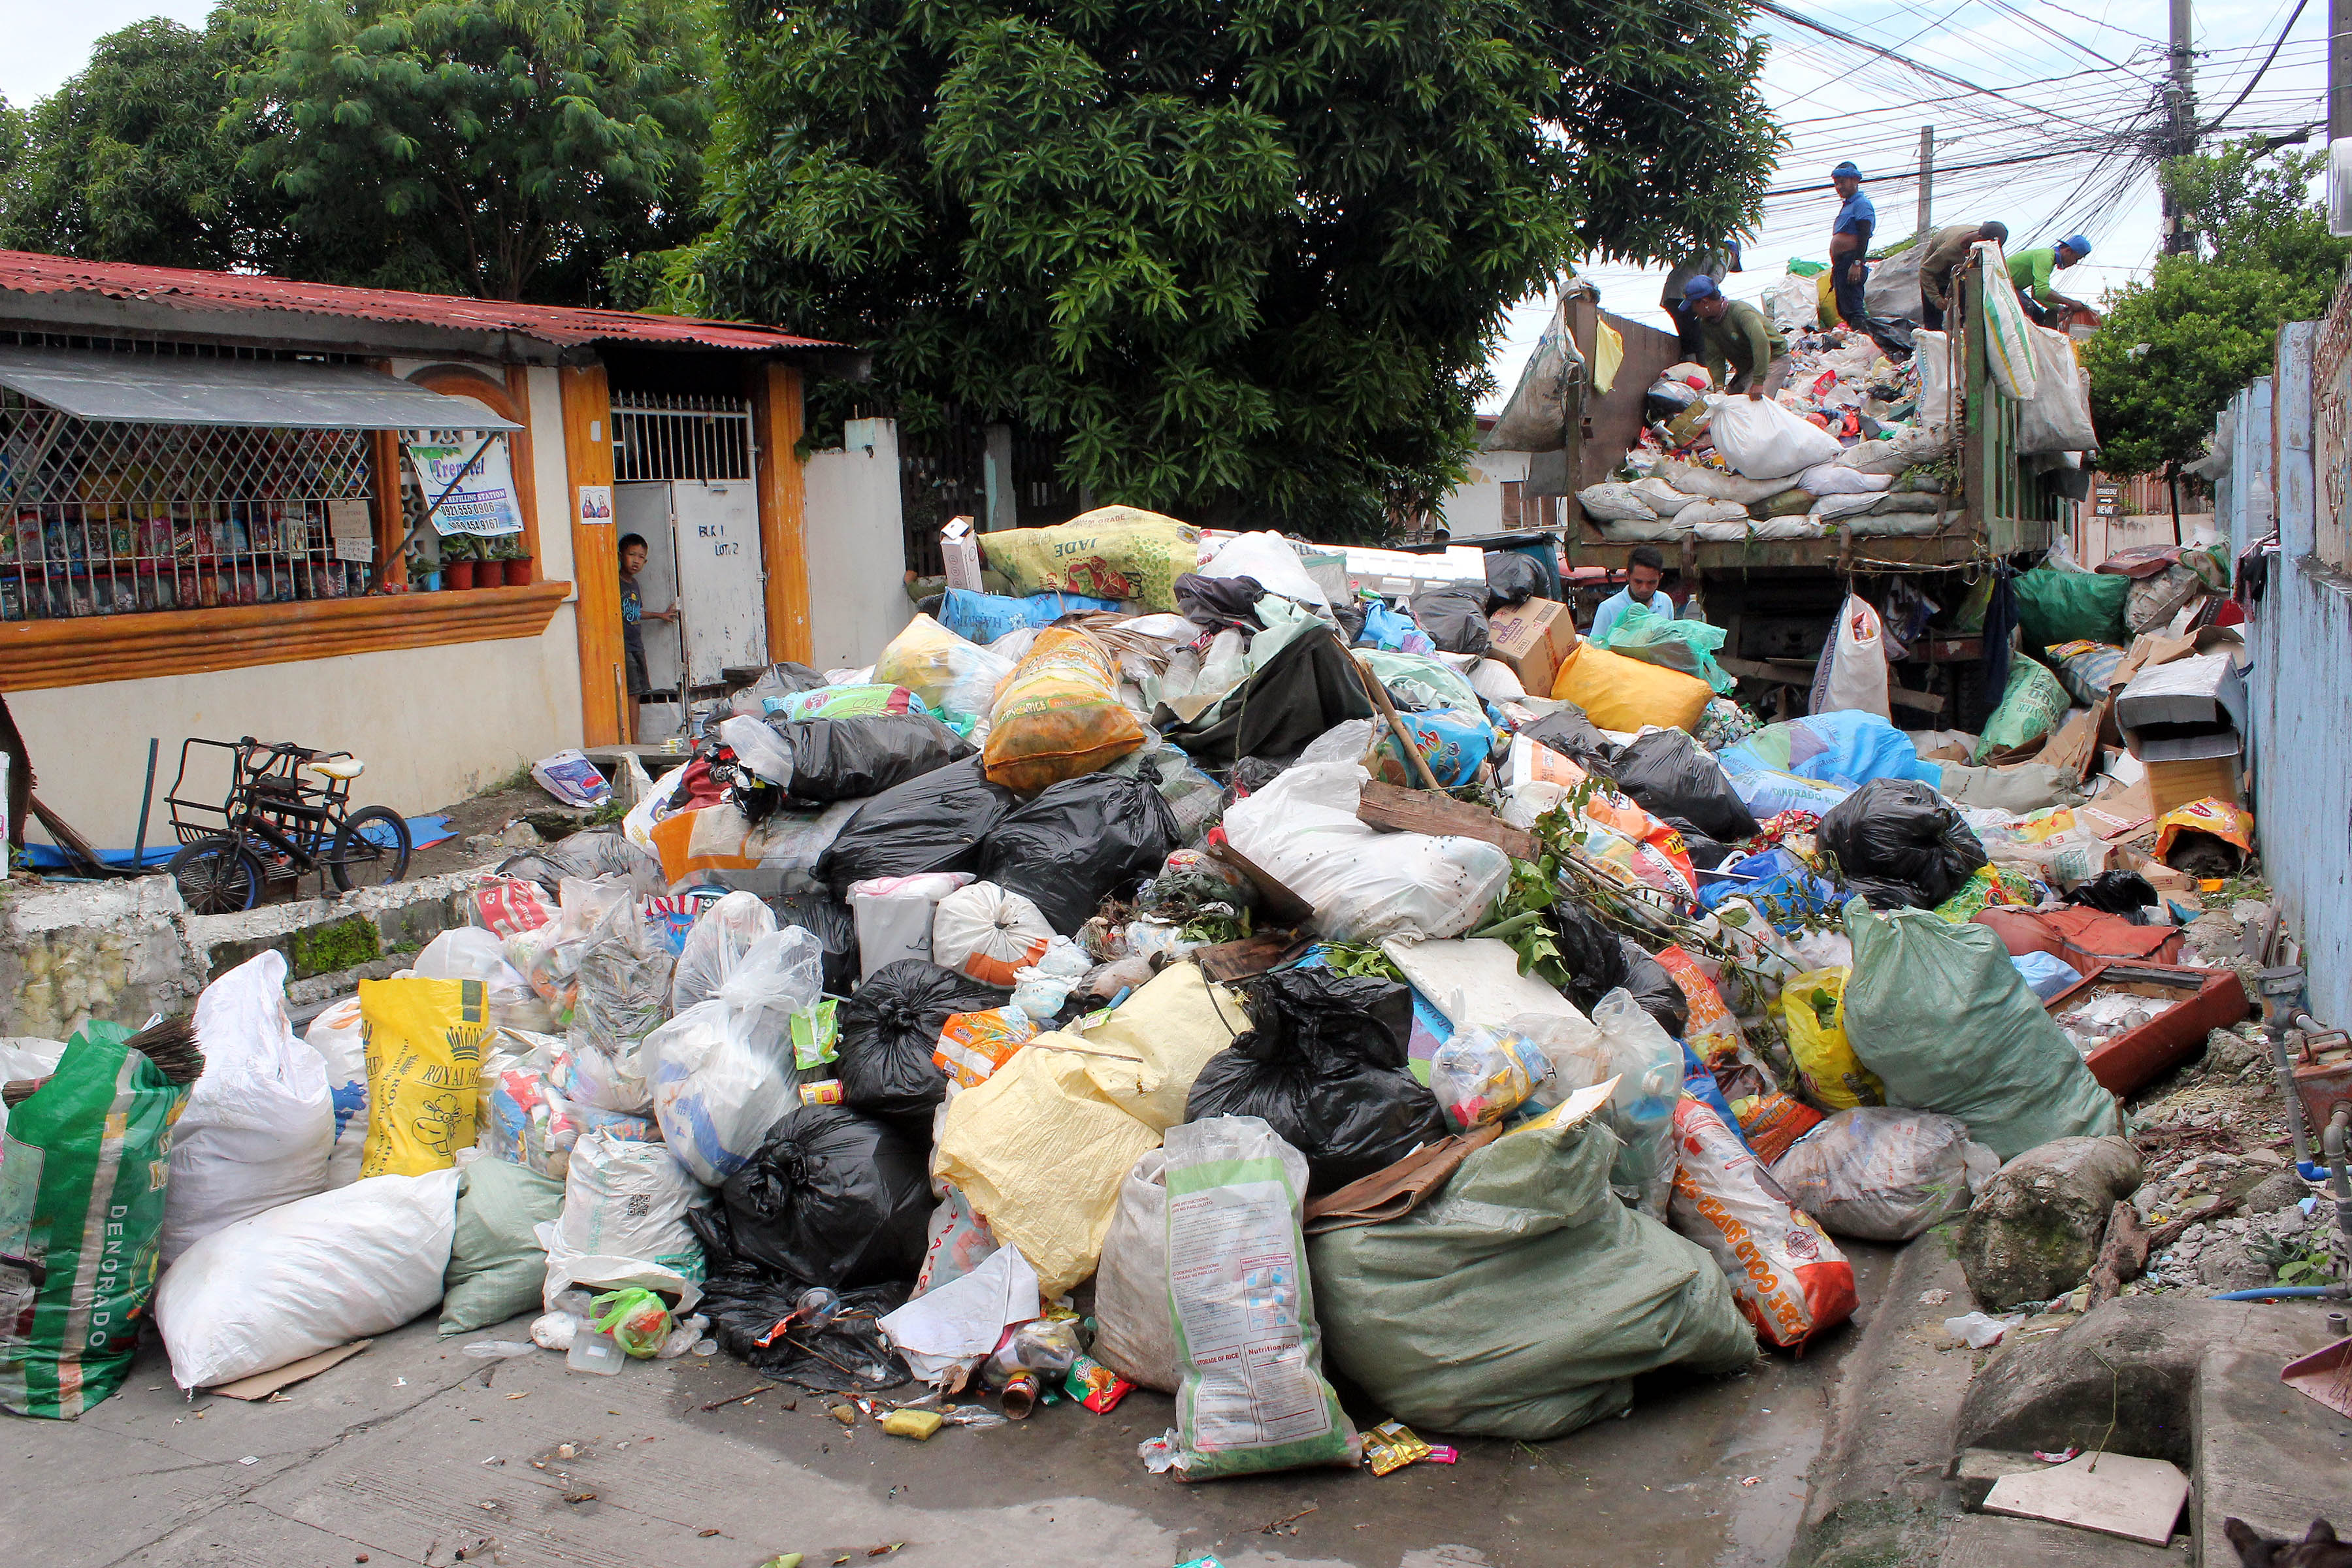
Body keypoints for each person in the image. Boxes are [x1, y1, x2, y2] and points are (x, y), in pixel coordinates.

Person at [1683, 276, 1789, 399]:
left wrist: (1759, 381)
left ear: (1704, 302)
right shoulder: (1707, 324)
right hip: (1748, 368)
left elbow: (1761, 342)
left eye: (1693, 305)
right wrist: (1719, 387)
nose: (1693, 310)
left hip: (1774, 359)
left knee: (1749, 406)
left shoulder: (1740, 312)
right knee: (1727, 404)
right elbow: (1715, 357)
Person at [617, 533, 676, 728]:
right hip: (623, 645)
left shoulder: (633, 584)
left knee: (638, 692)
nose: (636, 561)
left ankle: (636, 738)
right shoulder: (615, 583)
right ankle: (634, 742)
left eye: (641, 557)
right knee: (631, 693)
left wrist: (660, 616)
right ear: (620, 555)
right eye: (632, 555)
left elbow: (635, 613)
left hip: (636, 644)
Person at [1916, 221, 2008, 331]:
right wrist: (1936, 298)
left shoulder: (1989, 237)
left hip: (1961, 273)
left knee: (1971, 312)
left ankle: (1966, 338)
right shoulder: (1949, 250)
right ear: (1979, 239)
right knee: (1934, 323)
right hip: (1935, 274)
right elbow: (1926, 271)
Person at [1588, 545, 1689, 644]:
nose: (1644, 589)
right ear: (1627, 576)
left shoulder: (1665, 601)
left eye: (1651, 582)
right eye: (1638, 582)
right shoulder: (1608, 608)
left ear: (1660, 577)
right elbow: (1595, 649)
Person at [1661, 244, 1740, 363]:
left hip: (1671, 294)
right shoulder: (1725, 255)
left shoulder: (1707, 252)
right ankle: (1700, 370)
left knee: (1689, 335)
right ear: (1733, 254)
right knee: (1699, 338)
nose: (1729, 269)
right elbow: (1712, 283)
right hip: (1684, 294)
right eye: (1733, 265)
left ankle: (1692, 366)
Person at [1827, 161, 1875, 331]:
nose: (1839, 186)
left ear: (1855, 180)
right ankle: (1856, 338)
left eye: (1843, 182)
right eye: (1836, 183)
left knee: (1855, 310)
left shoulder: (1861, 203)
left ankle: (1864, 339)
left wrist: (1857, 263)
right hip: (1842, 264)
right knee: (1844, 308)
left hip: (1851, 261)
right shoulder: (1847, 206)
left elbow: (1864, 234)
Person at [2008, 235, 2093, 325]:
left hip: (2010, 288)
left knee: (2040, 317)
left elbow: (2036, 293)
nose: (2075, 263)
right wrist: (2070, 303)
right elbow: (2042, 291)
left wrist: (2058, 308)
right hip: (2000, 284)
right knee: (2027, 309)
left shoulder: (2049, 260)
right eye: (2076, 259)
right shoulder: (2046, 257)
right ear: (2068, 251)